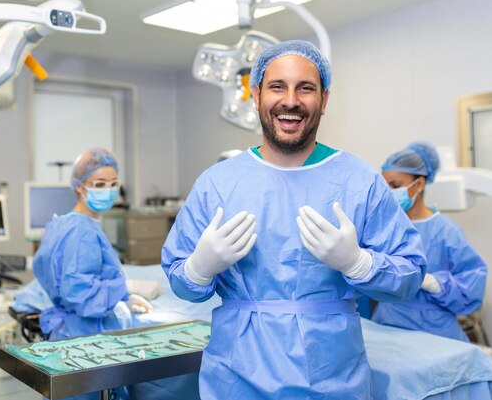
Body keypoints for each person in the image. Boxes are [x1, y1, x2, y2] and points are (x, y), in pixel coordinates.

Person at [162, 40, 427, 399]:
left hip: (332, 376)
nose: (290, 101)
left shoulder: (359, 181)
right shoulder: (217, 183)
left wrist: (360, 264)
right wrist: (198, 267)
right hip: (237, 375)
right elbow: (181, 280)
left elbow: (409, 274)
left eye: (305, 88)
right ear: (256, 95)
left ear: (325, 99)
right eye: (277, 87)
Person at [33, 148, 151, 399]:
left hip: (71, 334)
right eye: (99, 184)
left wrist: (122, 300)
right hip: (83, 338)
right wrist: (127, 287)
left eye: (113, 184)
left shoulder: (64, 223)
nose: (107, 190)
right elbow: (79, 292)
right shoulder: (81, 230)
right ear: (80, 186)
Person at [371, 142, 488, 341]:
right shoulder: (385, 226)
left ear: (420, 184)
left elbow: (472, 287)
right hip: (386, 326)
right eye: (385, 185)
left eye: (396, 185)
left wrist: (434, 283)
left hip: (434, 331)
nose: (389, 191)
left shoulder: (446, 231)